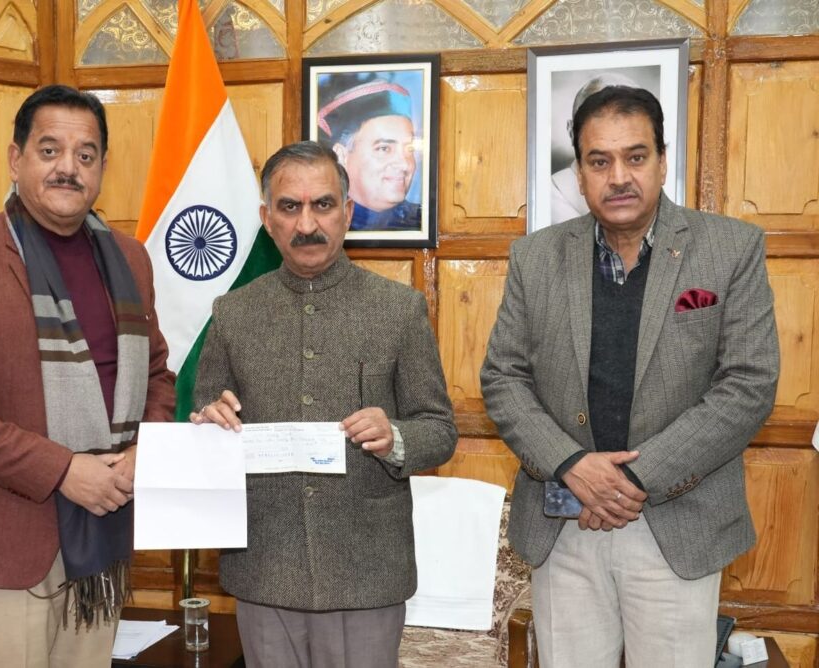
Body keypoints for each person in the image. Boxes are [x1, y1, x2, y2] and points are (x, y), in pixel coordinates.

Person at [481, 86, 779, 667]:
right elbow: (502, 378)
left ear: (662, 161)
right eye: (599, 161)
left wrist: (630, 481)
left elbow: (748, 386)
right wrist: (572, 465)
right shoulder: (535, 258)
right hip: (565, 520)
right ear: (580, 173)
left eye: (635, 157)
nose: (618, 176)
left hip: (677, 523)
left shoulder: (730, 249)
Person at [0, 85, 176, 667]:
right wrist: (63, 470)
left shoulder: (130, 258)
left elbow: (157, 373)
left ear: (102, 168)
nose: (67, 168)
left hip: (101, 539)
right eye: (50, 150)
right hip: (1, 549)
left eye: (85, 155)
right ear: (16, 158)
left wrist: (145, 449)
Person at [189, 141, 457, 667]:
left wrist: (395, 437)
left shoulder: (399, 310)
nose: (307, 223)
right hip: (265, 566)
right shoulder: (232, 314)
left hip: (367, 573)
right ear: (267, 218)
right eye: (290, 207)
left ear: (348, 212)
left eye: (323, 205)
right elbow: (205, 413)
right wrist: (207, 421)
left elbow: (439, 429)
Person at [317, 79, 422, 231]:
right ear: (342, 156)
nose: (405, 164)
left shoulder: (423, 222)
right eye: (384, 148)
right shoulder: (321, 227)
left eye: (409, 148)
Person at [551, 72, 644, 224]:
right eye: (600, 162)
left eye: (636, 158)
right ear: (572, 132)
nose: (619, 180)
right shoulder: (552, 197)